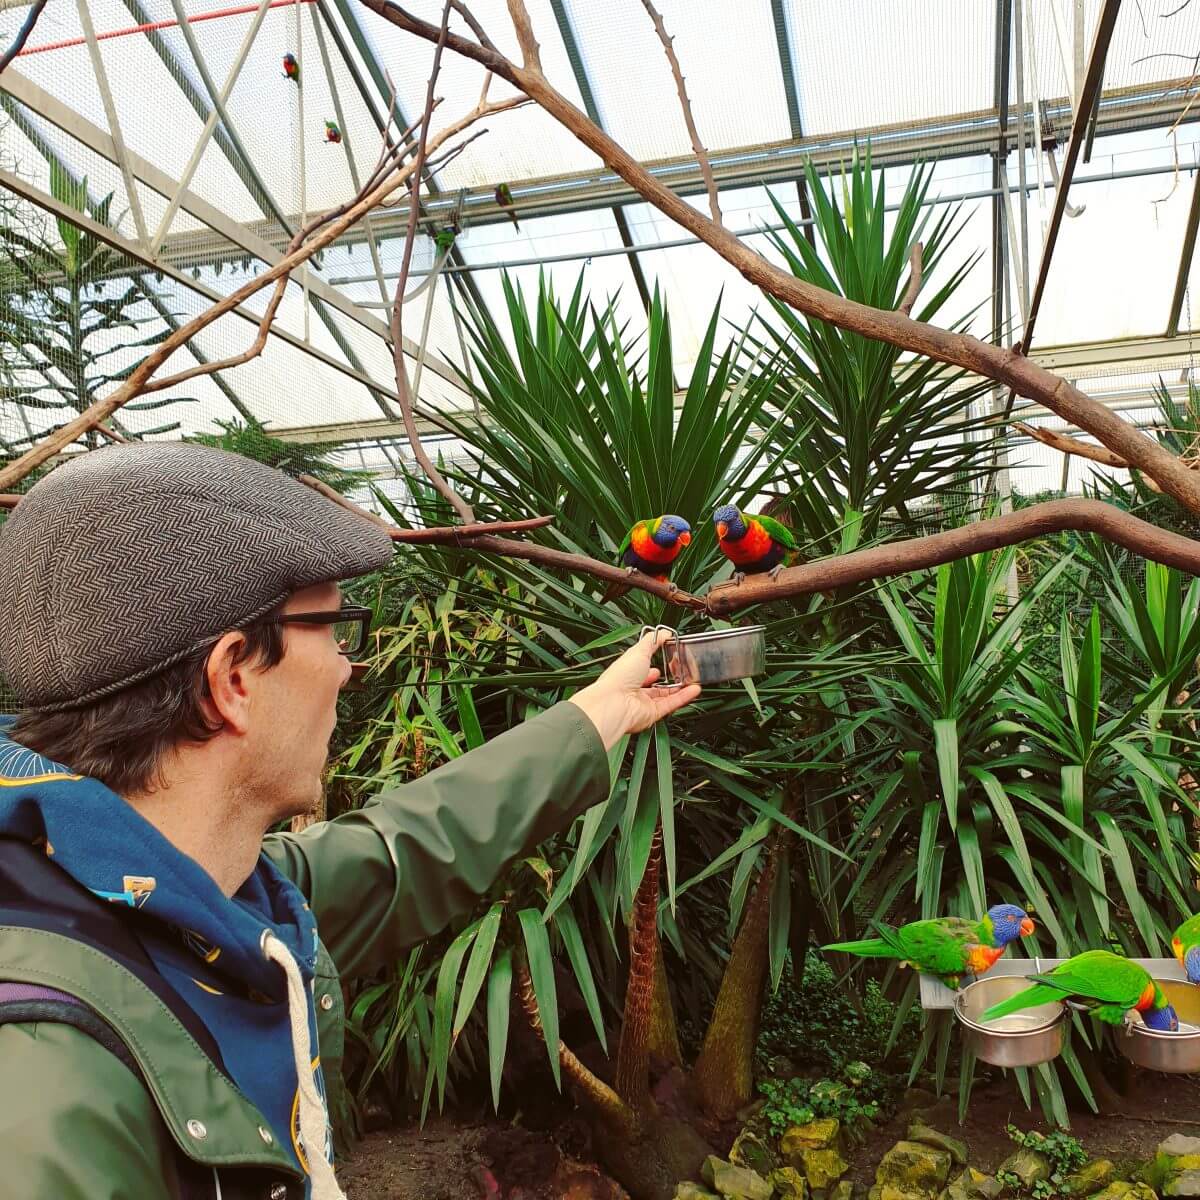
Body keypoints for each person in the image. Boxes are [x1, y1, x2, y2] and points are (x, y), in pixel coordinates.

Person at [0, 443, 699, 1200]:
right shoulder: (47, 1090)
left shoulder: (196, 894)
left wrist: (601, 713)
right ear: (233, 678)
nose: (346, 666)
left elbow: (405, 850)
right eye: (336, 628)